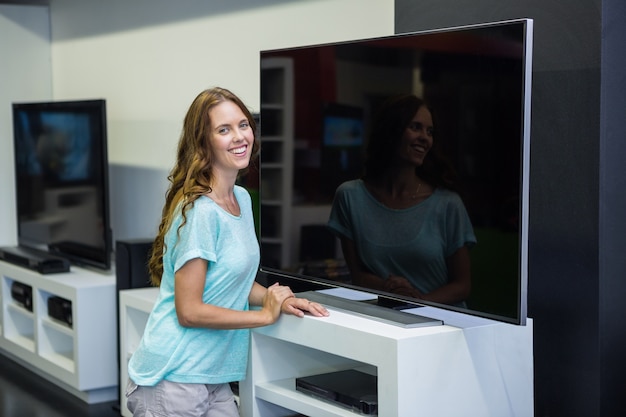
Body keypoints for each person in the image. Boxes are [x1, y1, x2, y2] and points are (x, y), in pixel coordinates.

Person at [125, 87, 329, 417]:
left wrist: (280, 300)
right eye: (224, 129)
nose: (239, 137)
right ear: (203, 143)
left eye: (243, 125)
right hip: (173, 378)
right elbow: (189, 311)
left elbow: (230, 280)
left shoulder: (242, 199)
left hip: (212, 377)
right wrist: (262, 317)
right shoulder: (201, 211)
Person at [327, 94, 476, 307]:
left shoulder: (448, 204)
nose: (425, 138)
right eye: (415, 127)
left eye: (430, 131)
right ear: (391, 131)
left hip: (442, 325)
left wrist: (419, 301)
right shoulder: (350, 196)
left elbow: (462, 285)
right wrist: (391, 288)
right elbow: (358, 275)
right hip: (384, 321)